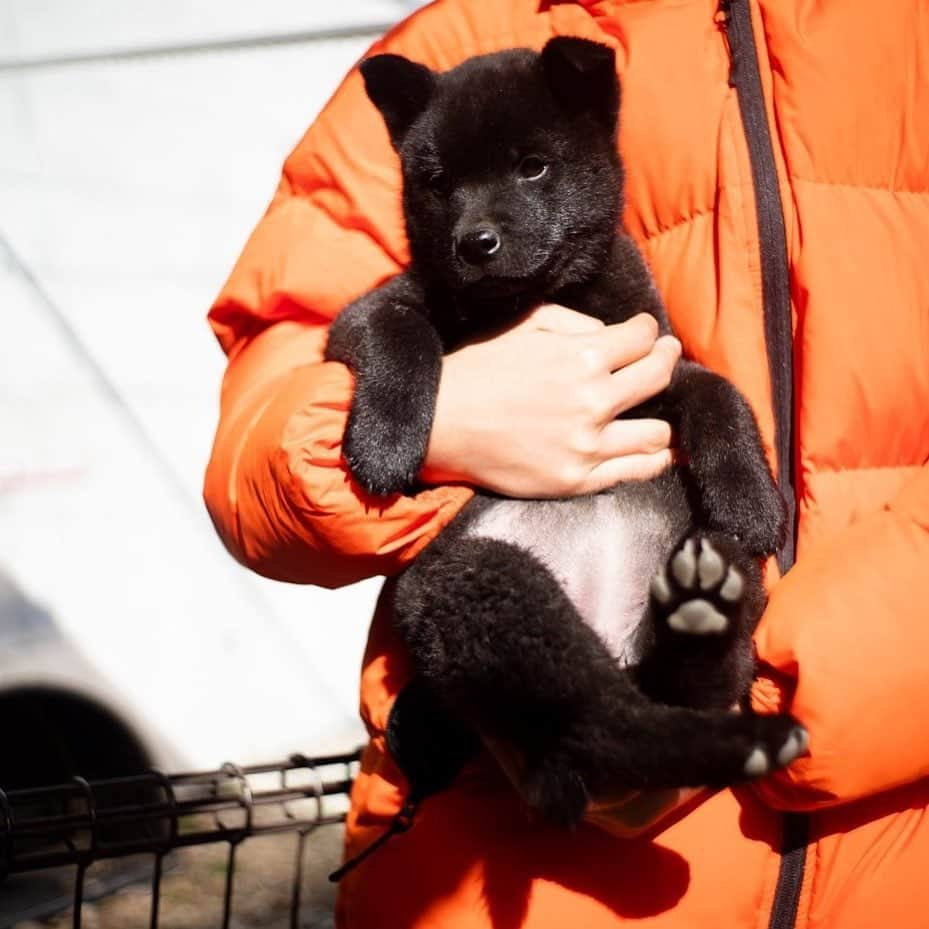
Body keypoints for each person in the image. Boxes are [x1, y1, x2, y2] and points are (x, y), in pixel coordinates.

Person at [203, 1, 929, 926]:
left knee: (707, 574)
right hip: (508, 775)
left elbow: (683, 383)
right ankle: (614, 731)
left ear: (590, 137)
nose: (475, 223)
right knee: (457, 592)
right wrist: (432, 415)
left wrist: (734, 468)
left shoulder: (618, 268)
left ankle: (678, 685)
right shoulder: (451, 53)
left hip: (871, 834)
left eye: (530, 169)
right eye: (443, 187)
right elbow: (324, 356)